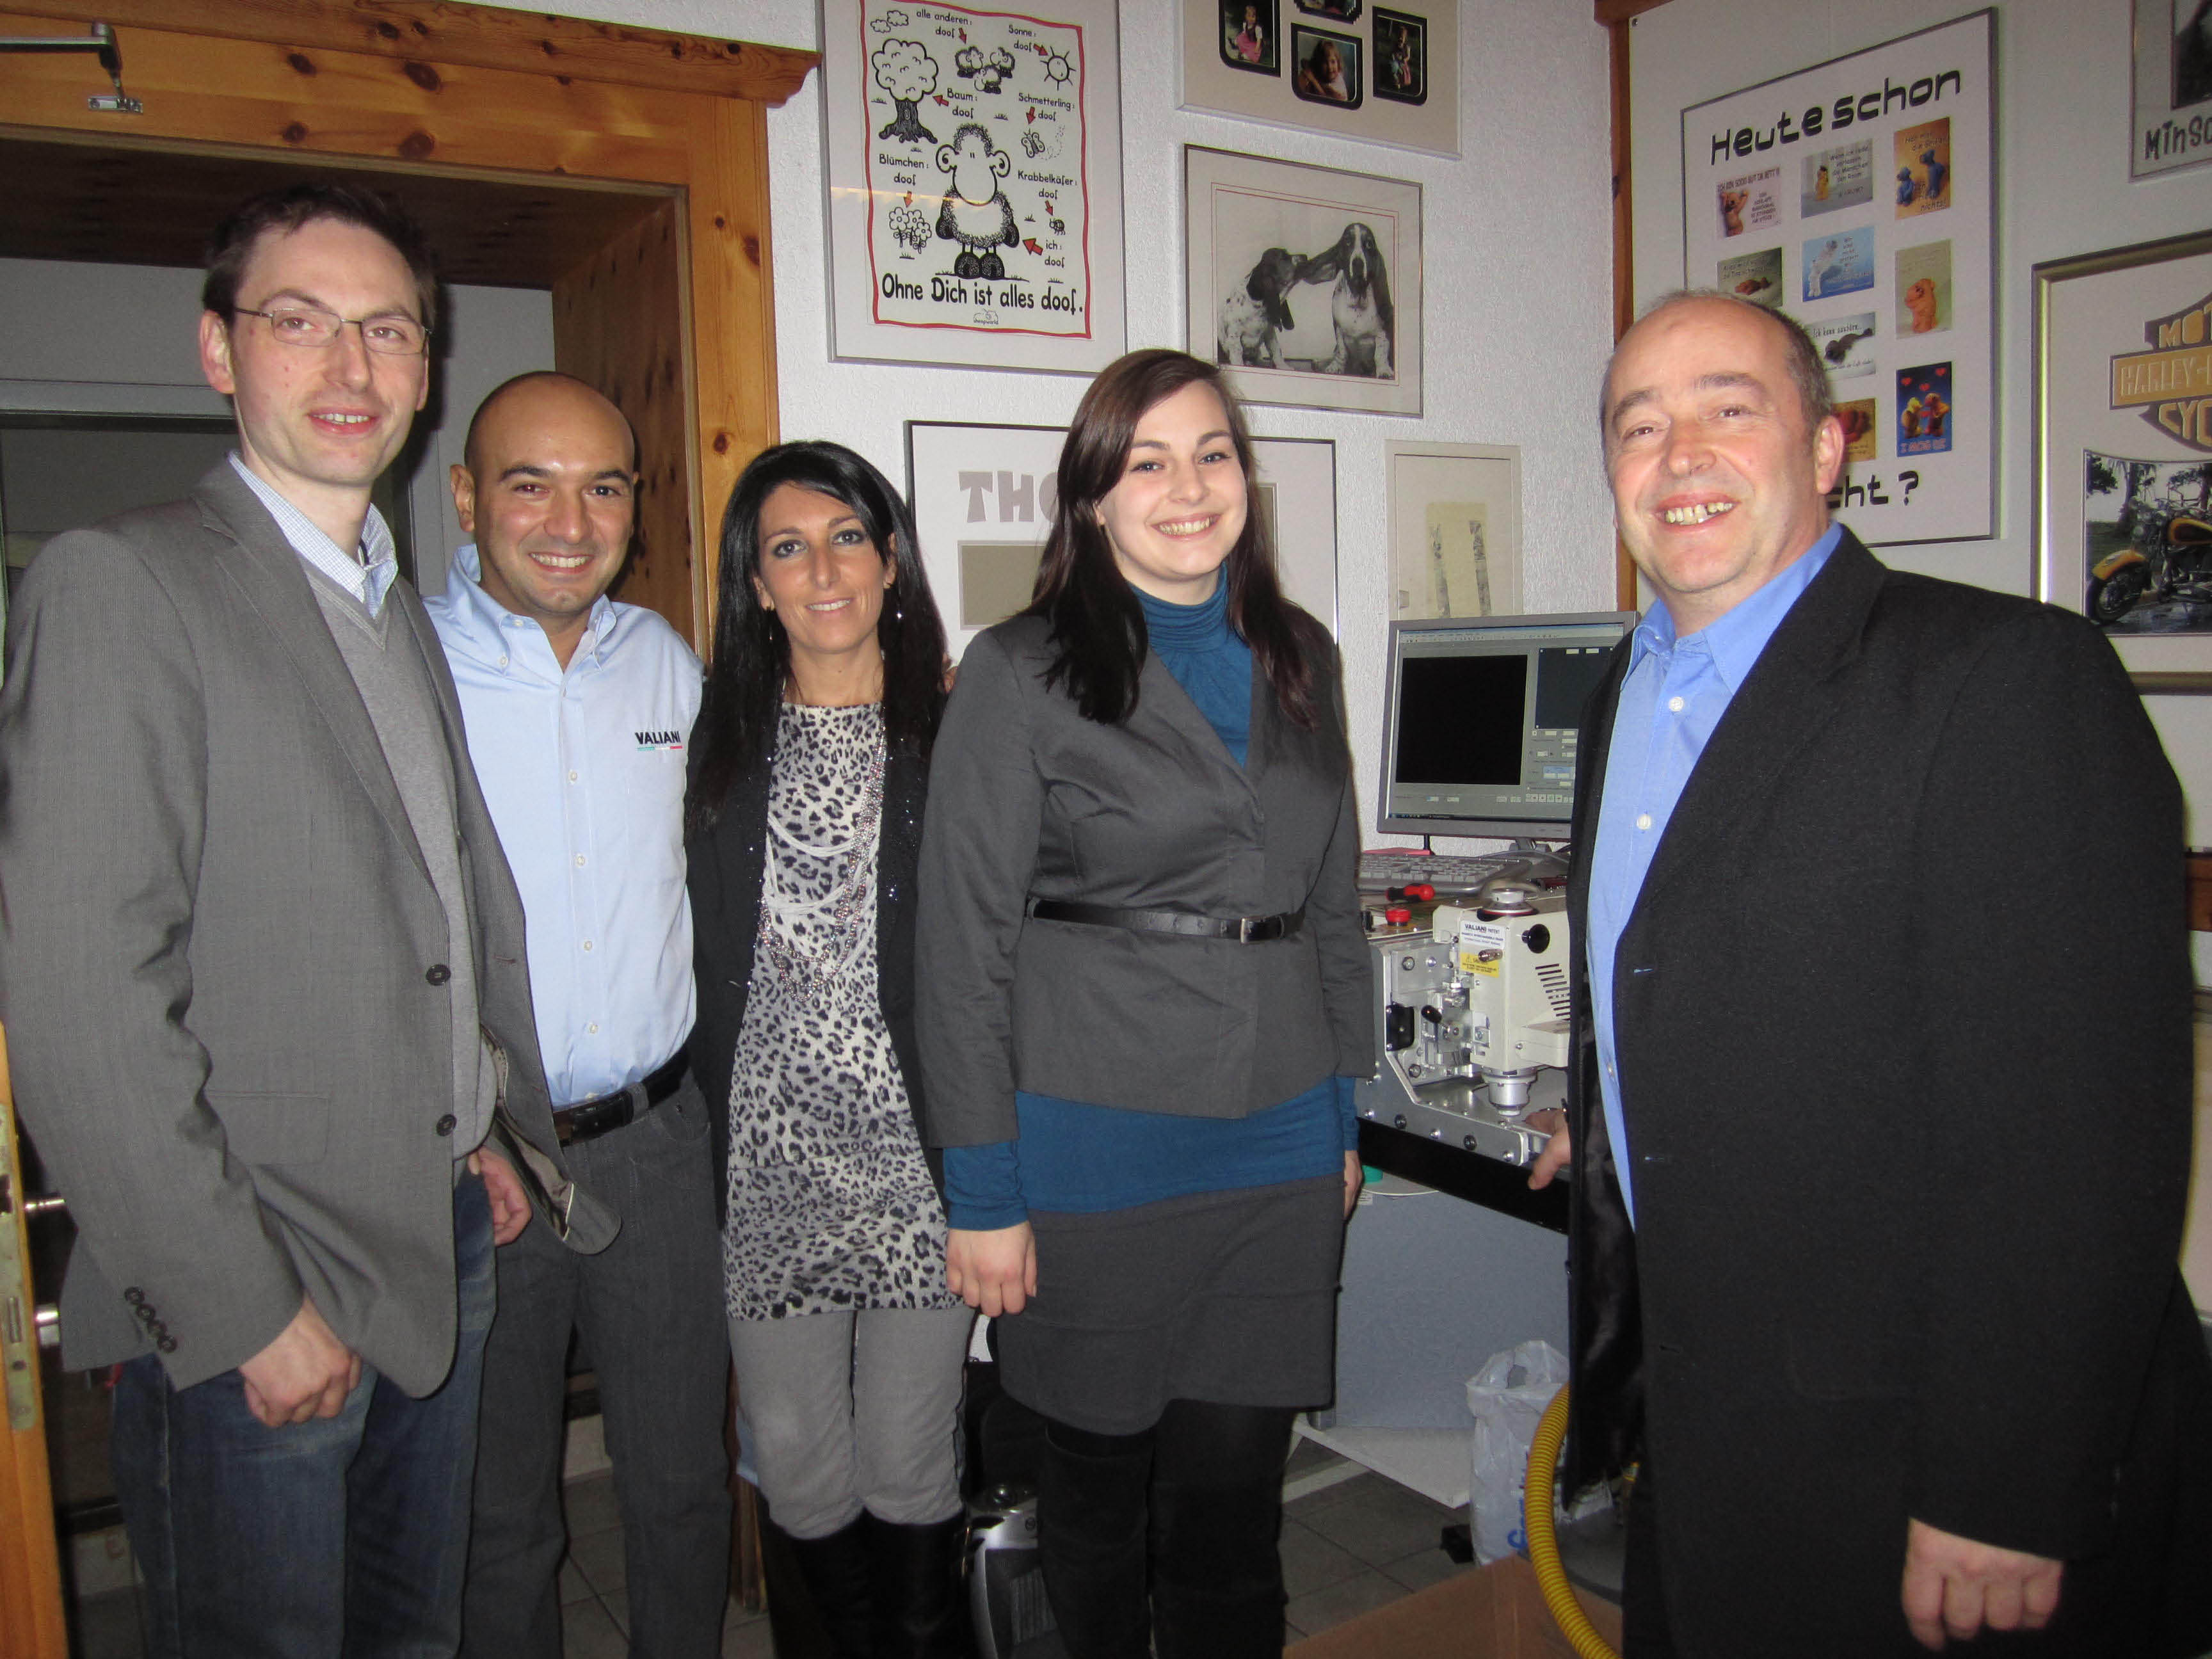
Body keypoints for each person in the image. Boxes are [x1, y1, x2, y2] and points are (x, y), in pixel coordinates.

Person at [1530, 290, 2211, 1656]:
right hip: (1707, 1409)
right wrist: (1604, 1113)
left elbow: (2083, 1128)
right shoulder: (1623, 693)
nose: (1681, 455)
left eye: (1730, 409)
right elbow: (1674, 965)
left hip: (1919, 1449)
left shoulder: (2003, 678)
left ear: (1827, 446)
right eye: (1639, 427)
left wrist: (2008, 1486)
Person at [0, 182, 614, 1658]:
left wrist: (477, 1124)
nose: (352, 366)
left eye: (387, 330)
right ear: (220, 349)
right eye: (302, 322)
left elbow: (412, 917)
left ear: (425, 364)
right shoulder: (125, 583)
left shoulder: (389, 605)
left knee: (413, 1639)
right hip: (262, 1270)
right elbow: (82, 997)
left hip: (438, 1232)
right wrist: (241, 1307)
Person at [917, 348, 1372, 1659]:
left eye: (1213, 454)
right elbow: (960, 950)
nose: (1189, 487)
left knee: (1233, 1513)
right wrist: (982, 1191)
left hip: (1280, 1130)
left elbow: (1332, 906)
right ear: (1094, 497)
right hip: (1092, 1140)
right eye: (1148, 461)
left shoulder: (1301, 654)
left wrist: (1344, 1116)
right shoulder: (1020, 669)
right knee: (1099, 1505)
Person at [426, 373, 730, 1658]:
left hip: (655, 1145)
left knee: (682, 1485)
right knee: (499, 1516)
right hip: (478, 1157)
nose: (570, 522)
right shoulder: (403, 668)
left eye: (603, 487)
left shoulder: (666, 661)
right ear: (465, 498)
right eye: (529, 484)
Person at [687, 441, 971, 1659]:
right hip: (770, 1162)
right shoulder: (712, 737)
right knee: (797, 1464)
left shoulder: (961, 730)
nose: (822, 571)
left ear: (891, 559)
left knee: (911, 1457)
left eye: (848, 537)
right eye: (788, 549)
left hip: (922, 1159)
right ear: (756, 585)